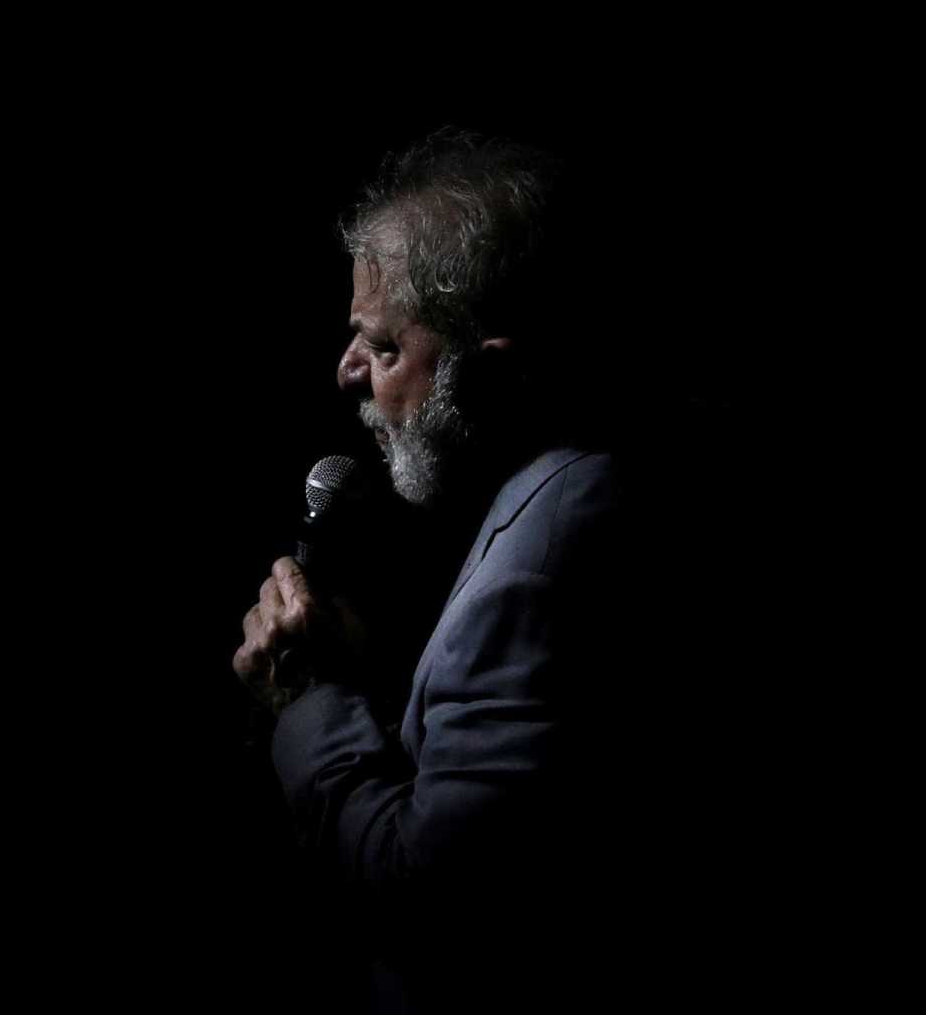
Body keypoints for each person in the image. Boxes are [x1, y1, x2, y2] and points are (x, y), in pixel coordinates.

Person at [232, 129, 683, 1011]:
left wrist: (306, 700)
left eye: (383, 348)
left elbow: (432, 898)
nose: (347, 372)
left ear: (495, 375)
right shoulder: (578, 486)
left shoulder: (539, 573)